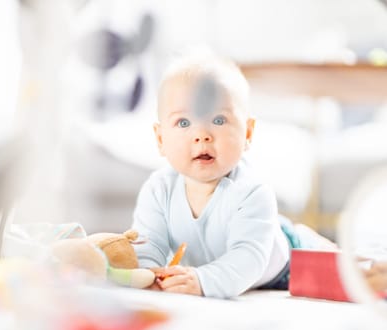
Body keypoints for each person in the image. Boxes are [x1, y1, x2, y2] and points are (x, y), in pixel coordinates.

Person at [132, 48, 335, 298]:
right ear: (160, 138)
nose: (202, 134)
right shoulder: (158, 189)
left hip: (282, 263)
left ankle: (318, 243)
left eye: (218, 120)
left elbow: (248, 258)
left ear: (247, 134)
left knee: (343, 272)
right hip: (246, 243)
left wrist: (203, 280)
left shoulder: (251, 191)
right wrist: (148, 274)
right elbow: (148, 243)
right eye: (183, 122)